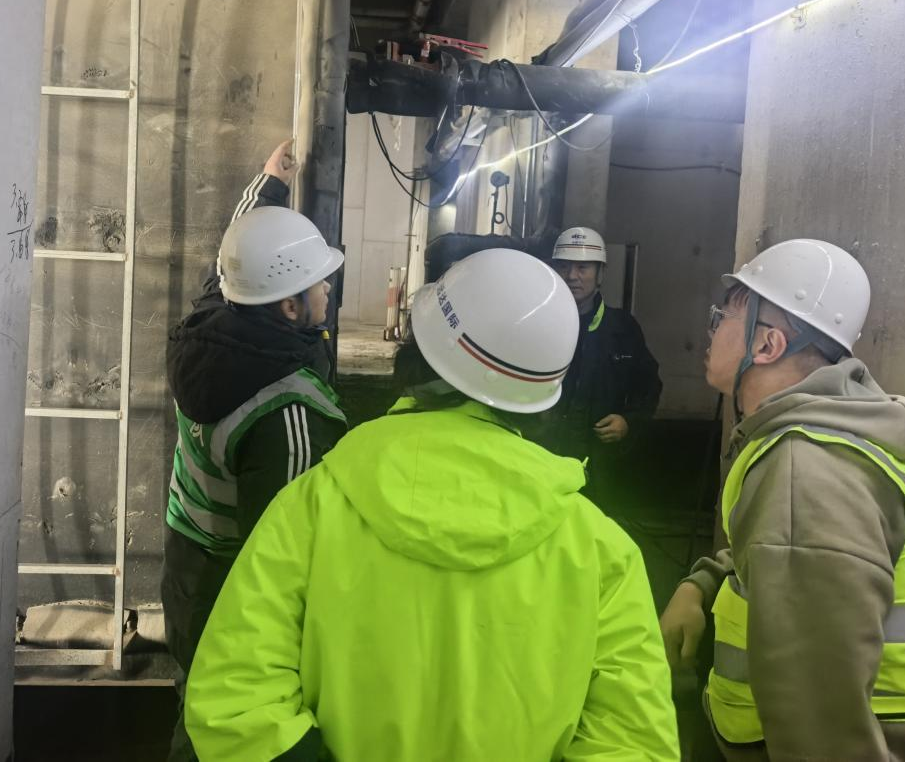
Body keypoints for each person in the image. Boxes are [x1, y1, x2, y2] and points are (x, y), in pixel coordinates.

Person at [185, 248, 680, 761]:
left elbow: (234, 696)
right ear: (542, 396)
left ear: (417, 354)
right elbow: (634, 741)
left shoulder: (314, 506)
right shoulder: (601, 550)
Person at [658, 239, 905, 760]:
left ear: (767, 345)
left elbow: (819, 726)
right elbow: (788, 551)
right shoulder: (820, 440)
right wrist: (704, 583)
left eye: (723, 317)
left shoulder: (807, 469)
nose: (711, 330)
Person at [161, 141, 348, 762]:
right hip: (229, 580)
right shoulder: (286, 410)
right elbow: (282, 547)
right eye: (317, 284)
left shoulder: (211, 326)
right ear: (290, 307)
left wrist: (269, 187)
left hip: (186, 557)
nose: (328, 288)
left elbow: (234, 262)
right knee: (226, 719)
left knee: (196, 694)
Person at [544, 226, 662, 504]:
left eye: (583, 268)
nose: (572, 276)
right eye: (564, 266)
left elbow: (649, 385)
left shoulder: (622, 328)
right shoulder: (539, 322)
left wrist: (629, 421)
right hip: (544, 453)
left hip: (599, 465)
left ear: (600, 274)